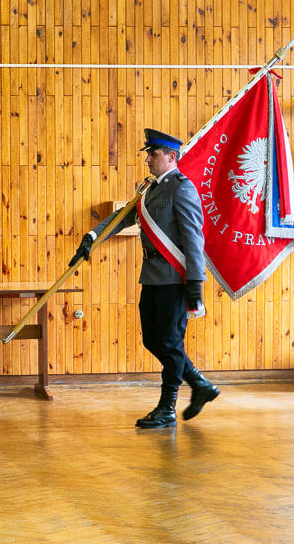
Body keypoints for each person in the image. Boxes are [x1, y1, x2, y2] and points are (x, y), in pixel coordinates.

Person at [69, 128, 218, 429]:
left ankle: (167, 408)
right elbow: (124, 216)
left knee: (170, 342)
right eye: (148, 153)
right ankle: (199, 384)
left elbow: (193, 239)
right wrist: (92, 236)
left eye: (153, 154)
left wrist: (195, 284)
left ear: (171, 157)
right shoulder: (148, 188)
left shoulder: (182, 188)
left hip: (174, 279)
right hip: (150, 276)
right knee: (152, 339)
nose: (148, 159)